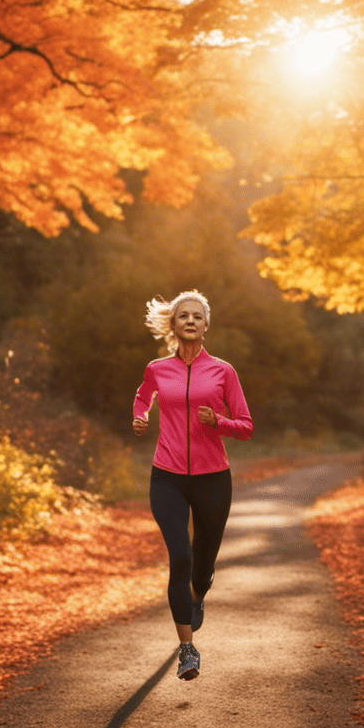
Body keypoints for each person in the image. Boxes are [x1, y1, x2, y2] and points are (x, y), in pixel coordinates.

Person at [132, 290, 253, 680]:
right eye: (183, 315)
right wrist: (140, 417)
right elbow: (142, 397)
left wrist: (218, 422)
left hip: (213, 478)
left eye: (196, 316)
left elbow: (246, 427)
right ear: (173, 324)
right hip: (166, 475)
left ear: (205, 325)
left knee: (201, 568)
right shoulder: (157, 368)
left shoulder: (223, 371)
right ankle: (187, 649)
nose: (189, 320)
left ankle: (198, 595)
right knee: (179, 559)